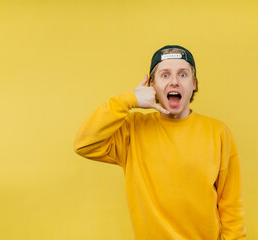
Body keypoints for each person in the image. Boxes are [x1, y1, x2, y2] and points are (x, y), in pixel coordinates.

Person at [74, 45, 246, 240]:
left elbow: (231, 204)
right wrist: (128, 100)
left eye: (183, 74)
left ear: (194, 84)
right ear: (151, 85)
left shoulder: (218, 132)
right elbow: (84, 143)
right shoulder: (132, 129)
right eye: (165, 75)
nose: (174, 81)